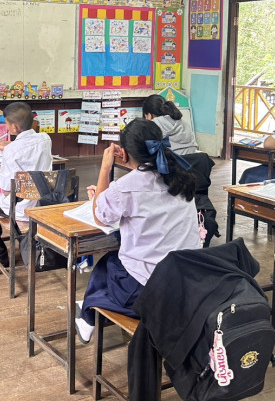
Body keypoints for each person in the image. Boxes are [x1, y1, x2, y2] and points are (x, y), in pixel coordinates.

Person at [74, 119, 201, 344]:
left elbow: (100, 216)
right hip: (188, 280)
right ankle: (89, 313)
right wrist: (105, 198)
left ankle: (88, 315)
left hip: (153, 288)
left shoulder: (127, 186)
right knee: (115, 264)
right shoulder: (180, 177)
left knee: (107, 267)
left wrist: (105, 168)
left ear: (123, 153)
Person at [0, 102, 52, 266]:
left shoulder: (12, 151)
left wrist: (9, 148)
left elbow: (5, 190)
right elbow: (29, 145)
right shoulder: (46, 139)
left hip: (21, 206)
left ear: (14, 127)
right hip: (42, 203)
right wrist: (7, 145)